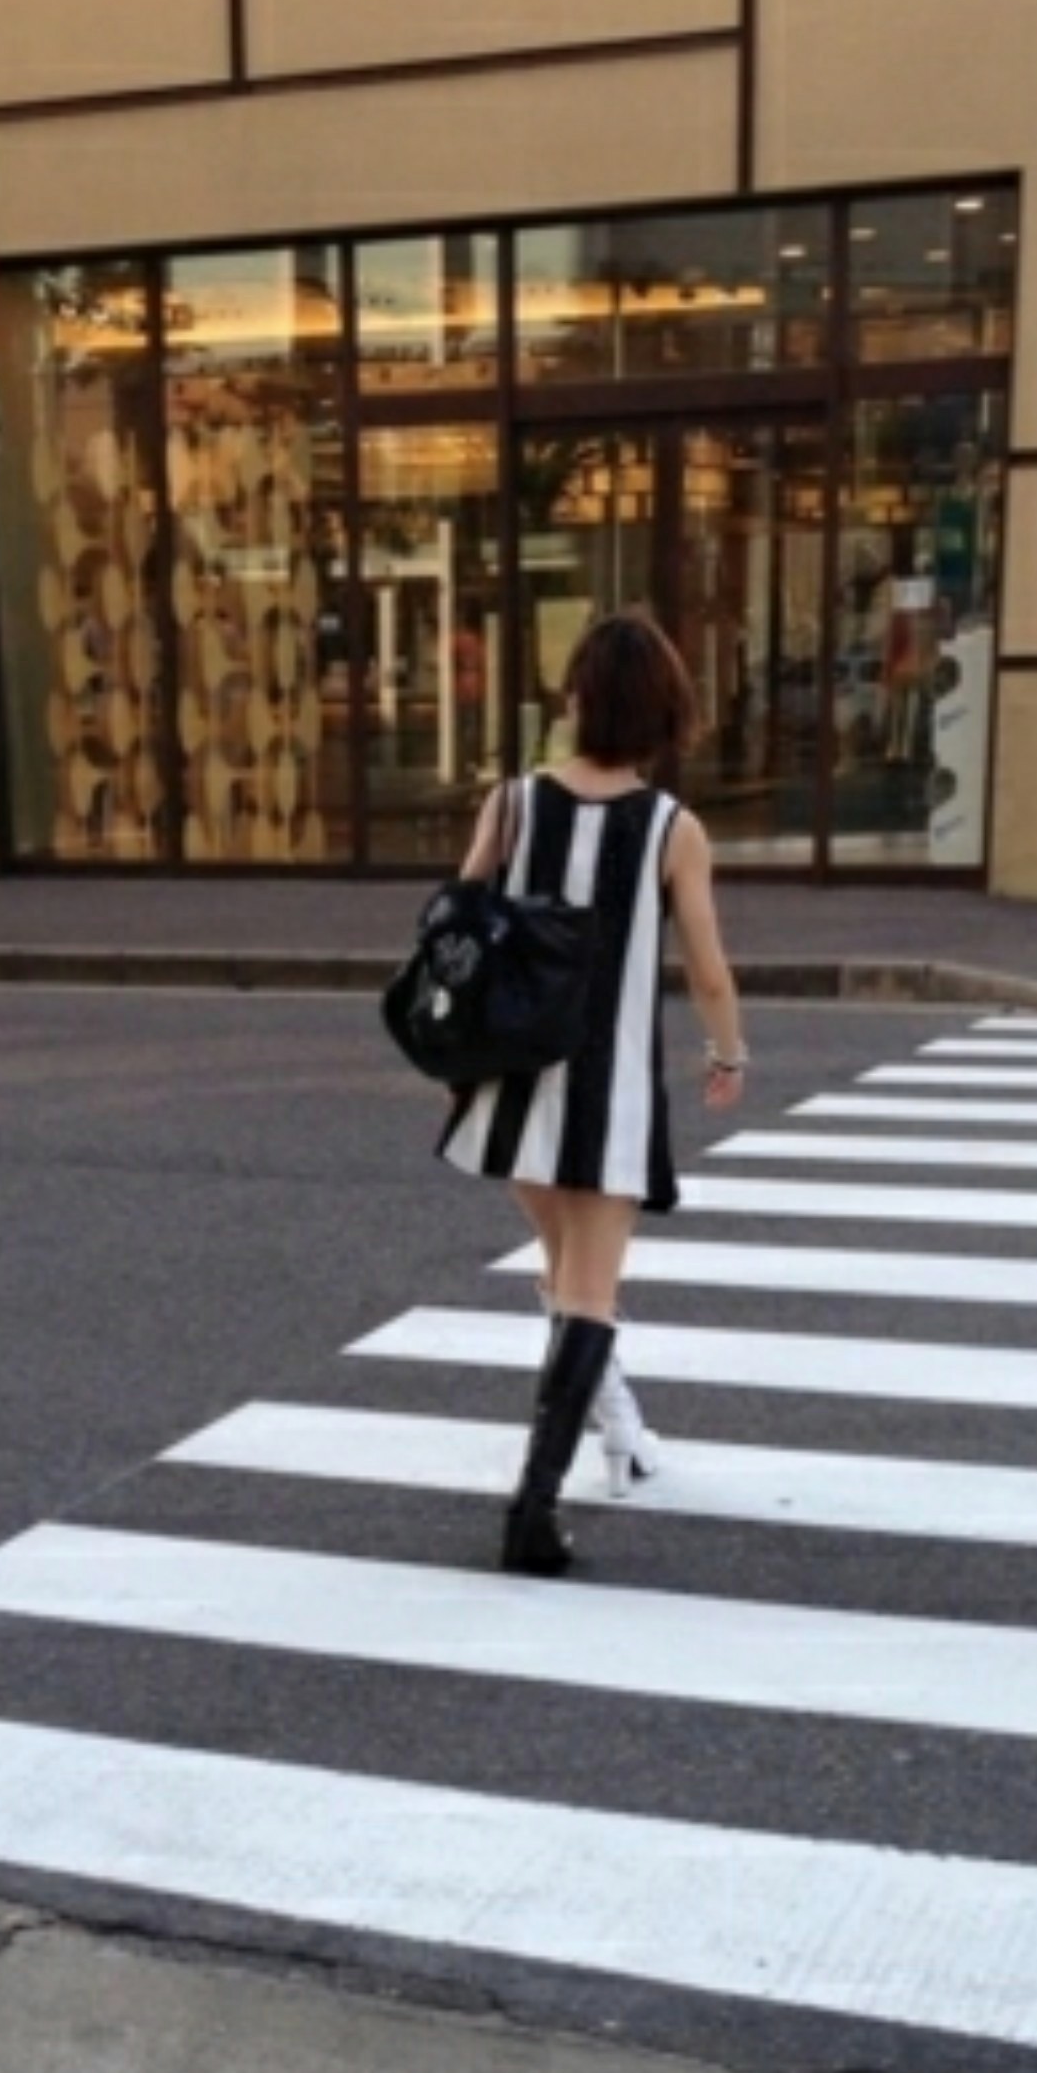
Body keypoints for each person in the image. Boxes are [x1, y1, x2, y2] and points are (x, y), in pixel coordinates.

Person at [438, 607, 748, 1578]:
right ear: (665, 714)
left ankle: (623, 1432)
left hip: (511, 1078)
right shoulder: (671, 828)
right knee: (589, 1293)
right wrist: (729, 1052)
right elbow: (707, 969)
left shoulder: (511, 805)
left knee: (565, 1270)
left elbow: (456, 918)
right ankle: (532, 1510)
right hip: (607, 1090)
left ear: (574, 699)